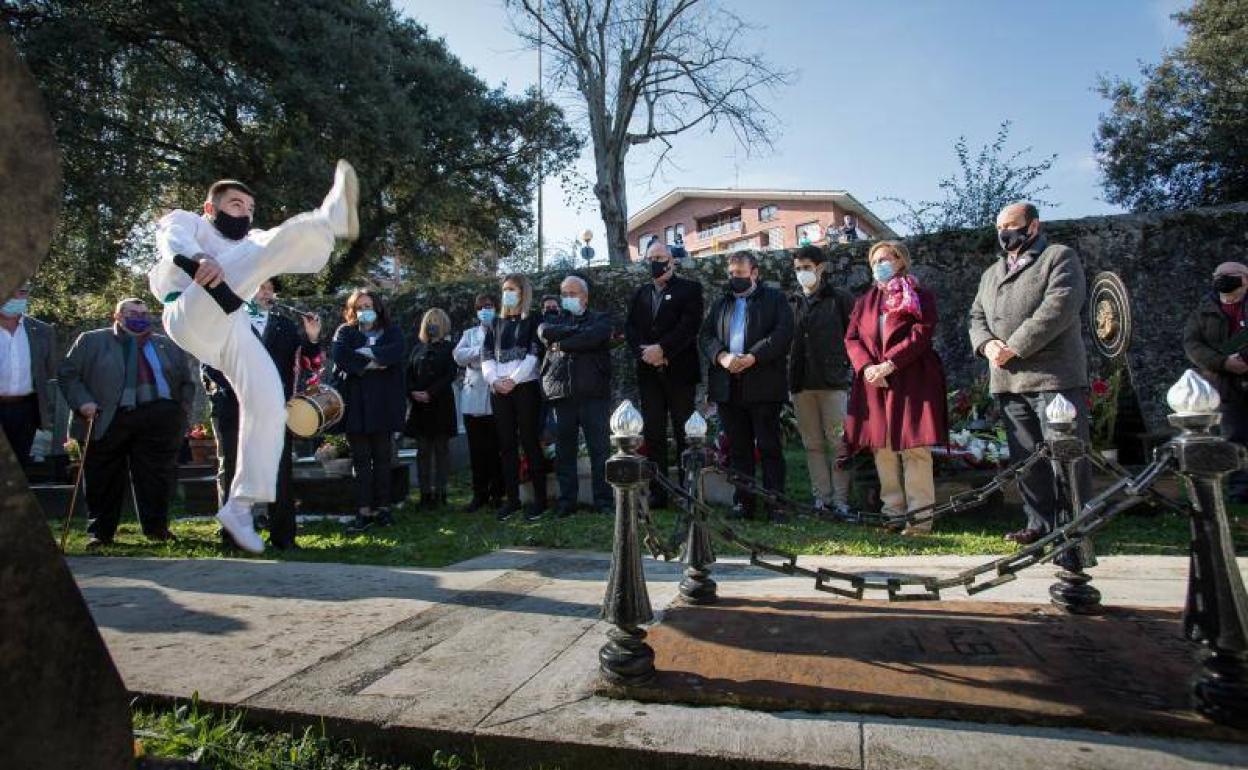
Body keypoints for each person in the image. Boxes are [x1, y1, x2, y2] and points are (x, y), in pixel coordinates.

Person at [149, 160, 358, 553]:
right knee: (250, 258)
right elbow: (172, 238)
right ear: (211, 208)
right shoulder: (189, 223)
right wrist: (197, 259)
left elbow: (280, 248)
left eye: (249, 208)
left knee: (268, 404)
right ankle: (328, 215)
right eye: (235, 205)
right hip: (188, 313)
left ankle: (240, 506)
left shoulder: (252, 241)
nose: (244, 213)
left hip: (231, 328)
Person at [969, 202, 1090, 545]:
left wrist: (1015, 345)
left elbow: (1059, 306)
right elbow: (976, 317)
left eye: (1011, 225)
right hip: (1008, 380)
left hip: (1054, 377)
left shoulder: (1058, 257)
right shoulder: (991, 273)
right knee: (1026, 459)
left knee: (1064, 456)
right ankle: (1038, 524)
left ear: (1032, 226)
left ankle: (1073, 526)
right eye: (999, 228)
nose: (1004, 233)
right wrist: (987, 345)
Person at [57, 298, 195, 547]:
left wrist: (180, 410)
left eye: (144, 313)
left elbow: (186, 381)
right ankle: (101, 533)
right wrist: (83, 403)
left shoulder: (167, 345)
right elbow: (68, 375)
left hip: (158, 417)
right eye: (133, 313)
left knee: (156, 476)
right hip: (107, 416)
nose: (140, 317)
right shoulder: (91, 341)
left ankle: (157, 529)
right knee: (103, 477)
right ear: (118, 316)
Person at [202, 277, 321, 549]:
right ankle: (232, 537)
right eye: (260, 287)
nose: (266, 293)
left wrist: (312, 338)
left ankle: (283, 536)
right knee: (232, 467)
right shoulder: (226, 322)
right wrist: (245, 392)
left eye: (270, 289)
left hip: (273, 410)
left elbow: (309, 365)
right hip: (234, 408)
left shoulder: (286, 325)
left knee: (280, 469)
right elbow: (210, 365)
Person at [843, 241, 947, 535]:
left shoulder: (920, 296)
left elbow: (921, 333)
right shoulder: (864, 302)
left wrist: (890, 363)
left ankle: (920, 519)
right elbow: (852, 339)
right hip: (875, 381)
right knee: (883, 449)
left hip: (911, 378)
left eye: (885, 259)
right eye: (874, 261)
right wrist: (867, 368)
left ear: (901, 261)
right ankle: (893, 513)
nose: (879, 265)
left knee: (915, 448)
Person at [699, 252, 793, 521]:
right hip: (728, 385)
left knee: (769, 446)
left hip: (763, 383)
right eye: (731, 274)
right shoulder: (721, 303)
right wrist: (722, 356)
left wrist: (754, 356)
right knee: (738, 448)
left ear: (754, 273)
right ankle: (744, 503)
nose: (734, 279)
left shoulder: (775, 299)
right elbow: (705, 336)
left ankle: (776, 503)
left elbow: (783, 333)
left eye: (740, 274)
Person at [624, 241, 704, 507]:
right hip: (648, 374)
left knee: (684, 434)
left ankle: (686, 491)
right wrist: (644, 352)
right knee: (654, 434)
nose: (655, 261)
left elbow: (689, 325)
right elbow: (631, 328)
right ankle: (659, 492)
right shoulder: (640, 293)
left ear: (672, 260)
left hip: (679, 371)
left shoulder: (690, 289)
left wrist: (663, 349)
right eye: (650, 258)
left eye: (659, 256)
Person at [788, 244, 855, 517]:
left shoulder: (840, 298)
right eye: (798, 269)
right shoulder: (791, 302)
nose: (802, 273)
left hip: (833, 382)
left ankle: (842, 500)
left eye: (806, 267)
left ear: (820, 267)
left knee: (838, 442)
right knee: (812, 444)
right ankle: (822, 499)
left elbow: (854, 336)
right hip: (801, 383)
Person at [539, 275, 613, 517]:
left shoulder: (601, 318)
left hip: (594, 394)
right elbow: (545, 331)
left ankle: (603, 501)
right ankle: (566, 502)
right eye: (565, 294)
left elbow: (596, 336)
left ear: (585, 296)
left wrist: (564, 342)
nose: (568, 298)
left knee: (600, 451)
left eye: (573, 293)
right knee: (564, 452)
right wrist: (574, 330)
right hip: (562, 395)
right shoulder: (554, 320)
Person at [332, 289, 406, 533]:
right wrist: (375, 362)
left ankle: (383, 508)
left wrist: (367, 355)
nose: (365, 310)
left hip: (383, 405)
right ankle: (363, 509)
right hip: (356, 406)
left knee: (383, 459)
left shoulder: (392, 331)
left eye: (369, 305)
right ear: (353, 310)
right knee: (361, 460)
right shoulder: (345, 332)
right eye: (360, 306)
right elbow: (341, 356)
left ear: (378, 307)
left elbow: (396, 352)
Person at [483, 274, 548, 521]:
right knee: (507, 445)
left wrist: (513, 380)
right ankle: (513, 500)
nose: (507, 293)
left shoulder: (533, 320)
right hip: (499, 390)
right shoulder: (494, 323)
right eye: (504, 289)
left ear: (523, 292)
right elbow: (486, 355)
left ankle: (540, 500)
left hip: (525, 388)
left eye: (511, 289)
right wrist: (494, 380)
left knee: (530, 442)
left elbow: (534, 354)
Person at [1183, 261, 1248, 501]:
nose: (1223, 278)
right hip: (1226, 383)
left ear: (1245, 279)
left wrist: (1243, 359)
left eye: (1230, 275)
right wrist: (1223, 363)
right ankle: (1240, 493)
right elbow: (1192, 344)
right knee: (1234, 439)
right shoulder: (1203, 310)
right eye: (1218, 275)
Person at [453, 294, 504, 512]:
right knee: (477, 451)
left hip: (495, 394)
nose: (485, 310)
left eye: (489, 306)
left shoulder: (503, 329)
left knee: (496, 448)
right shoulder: (469, 333)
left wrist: (478, 356)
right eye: (481, 307)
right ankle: (479, 494)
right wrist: (481, 351)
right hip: (473, 396)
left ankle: (497, 494)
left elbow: (503, 355)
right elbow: (458, 356)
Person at [404, 308, 458, 509]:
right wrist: (412, 392)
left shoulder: (450, 348)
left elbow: (450, 374)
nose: (432, 324)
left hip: (441, 405)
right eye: (429, 321)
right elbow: (407, 374)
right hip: (420, 409)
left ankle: (441, 492)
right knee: (423, 451)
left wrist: (430, 393)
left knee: (441, 451)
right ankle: (425, 494)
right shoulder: (417, 349)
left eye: (436, 321)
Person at [0, 281, 56, 468]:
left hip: (25, 411)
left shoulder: (42, 331)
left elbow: (49, 371)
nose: (16, 297)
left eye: (22, 292)